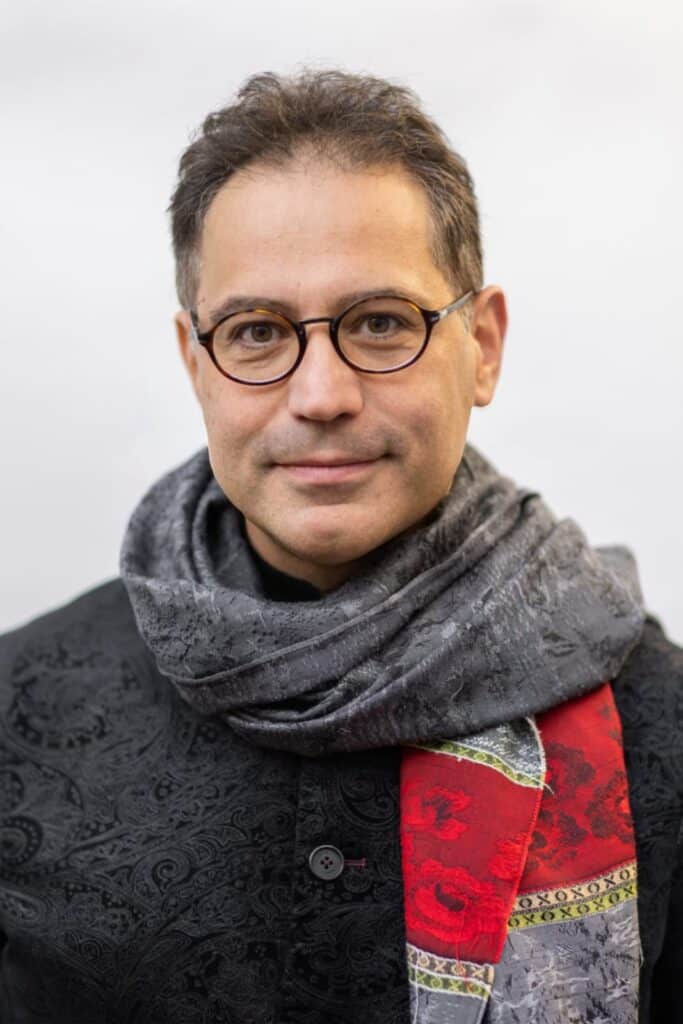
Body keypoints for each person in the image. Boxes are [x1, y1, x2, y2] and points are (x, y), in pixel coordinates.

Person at [0, 67, 680, 1024]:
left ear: (483, 346)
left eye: (380, 323)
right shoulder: (19, 710)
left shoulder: (655, 721)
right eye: (256, 332)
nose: (321, 395)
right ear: (196, 363)